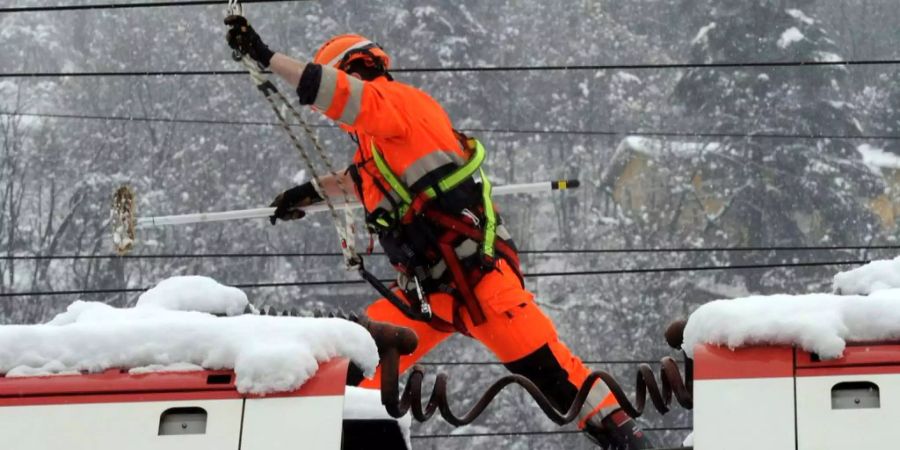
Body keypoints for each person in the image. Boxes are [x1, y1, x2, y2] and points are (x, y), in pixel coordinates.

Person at [225, 15, 654, 450]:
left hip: (480, 279)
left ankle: (629, 440)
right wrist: (309, 194)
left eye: (329, 104)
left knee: (559, 380)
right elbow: (364, 180)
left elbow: (337, 94)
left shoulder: (397, 103)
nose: (333, 120)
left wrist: (266, 57)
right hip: (428, 293)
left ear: (353, 70)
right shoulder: (380, 141)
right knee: (355, 362)